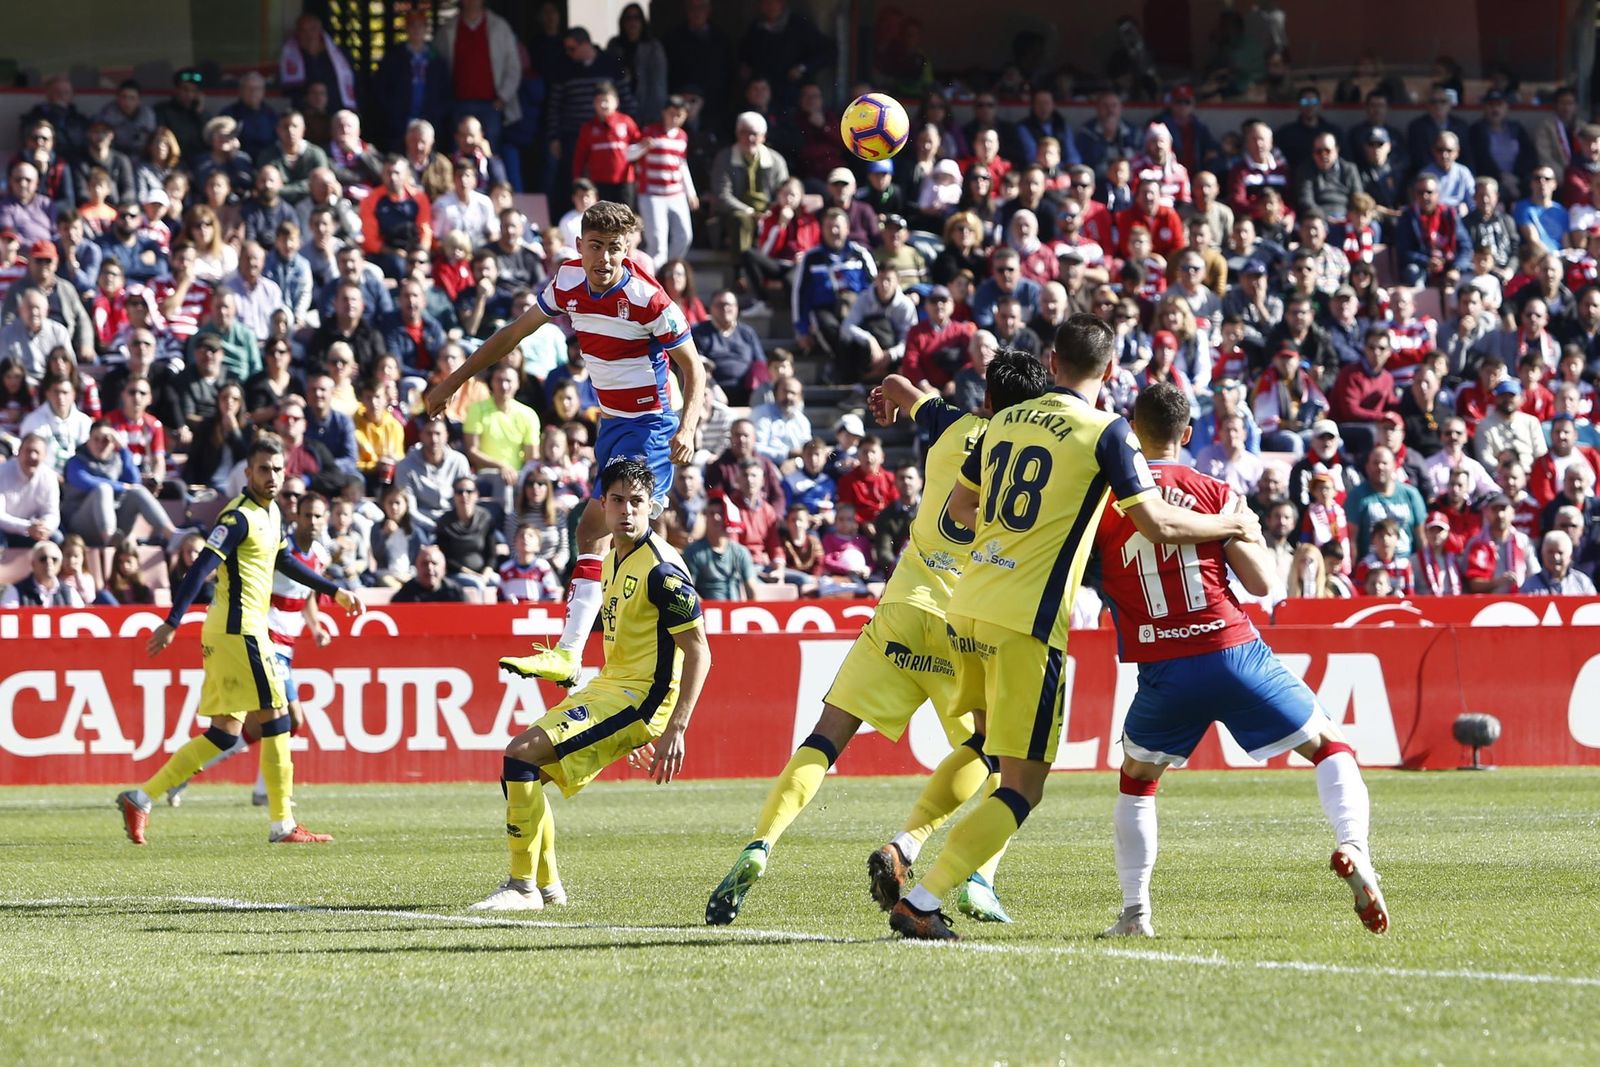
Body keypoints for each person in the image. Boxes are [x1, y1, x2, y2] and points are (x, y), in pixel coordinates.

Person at [889, 318, 1261, 941]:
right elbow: (1158, 526)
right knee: (1023, 786)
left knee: (986, 747)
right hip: (1027, 621)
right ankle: (922, 900)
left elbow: (959, 507)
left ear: (1052, 361)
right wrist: (1229, 528)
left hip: (968, 604)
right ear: (1110, 372)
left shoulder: (1005, 420)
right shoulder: (1107, 432)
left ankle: (908, 847)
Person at [706, 352, 1053, 925]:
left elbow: (896, 381)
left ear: (987, 399)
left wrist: (887, 398)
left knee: (825, 739)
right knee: (998, 759)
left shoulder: (950, 425)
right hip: (963, 627)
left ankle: (760, 845)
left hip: (898, 611)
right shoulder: (1036, 462)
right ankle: (957, 869)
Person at [1086, 382, 1386, 938]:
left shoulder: (1105, 502)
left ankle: (1136, 912)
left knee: (1137, 779)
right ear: (1188, 434)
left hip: (1162, 665)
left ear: (1132, 428)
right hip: (1230, 649)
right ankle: (1353, 845)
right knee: (1328, 746)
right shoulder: (1214, 491)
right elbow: (1261, 580)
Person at [426, 201, 706, 687]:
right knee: (591, 535)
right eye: (595, 247)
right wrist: (452, 383)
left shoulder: (649, 299)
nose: (604, 258)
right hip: (613, 423)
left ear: (628, 249)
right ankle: (577, 653)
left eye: (614, 249)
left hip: (652, 422)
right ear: (579, 246)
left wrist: (688, 426)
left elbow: (694, 368)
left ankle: (615, 643)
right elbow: (513, 334)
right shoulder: (567, 282)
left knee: (613, 522)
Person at [471, 459, 710, 911]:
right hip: (612, 689)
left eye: (636, 502)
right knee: (520, 772)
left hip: (640, 699)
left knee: (520, 754)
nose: (626, 511)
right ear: (602, 504)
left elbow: (700, 650)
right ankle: (546, 886)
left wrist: (671, 726)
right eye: (617, 500)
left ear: (650, 508)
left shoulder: (662, 572)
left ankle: (522, 888)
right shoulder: (609, 561)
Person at [114, 437, 361, 846]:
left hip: (234, 633)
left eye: (278, 469)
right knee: (279, 717)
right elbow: (200, 568)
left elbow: (284, 560)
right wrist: (173, 621)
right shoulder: (239, 518)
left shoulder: (273, 513)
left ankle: (141, 798)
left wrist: (333, 591)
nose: (272, 477)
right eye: (264, 469)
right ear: (247, 473)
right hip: (240, 631)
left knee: (227, 733)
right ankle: (283, 824)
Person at [1463, 493, 1537, 592]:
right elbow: (1472, 584)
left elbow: (1535, 575)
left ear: (1513, 513)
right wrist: (1498, 582)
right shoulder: (1476, 543)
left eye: (1503, 509)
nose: (1500, 515)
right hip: (1486, 604)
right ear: (1487, 514)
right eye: (1495, 509)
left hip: (1520, 602)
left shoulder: (1523, 541)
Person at [0, 433, 60, 548]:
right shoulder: (2, 472)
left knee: (57, 538)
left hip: (33, 531)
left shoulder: (49, 477)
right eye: (28, 451)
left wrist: (44, 527)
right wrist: (27, 527)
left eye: (37, 452)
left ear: (45, 456)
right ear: (18, 452)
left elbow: (52, 514)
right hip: (4, 530)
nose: (32, 456)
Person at [0, 539, 82, 607]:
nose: (49, 563)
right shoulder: (16, 590)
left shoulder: (69, 592)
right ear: (33, 564)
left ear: (60, 564)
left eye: (54, 559)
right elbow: (7, 620)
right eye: (43, 559)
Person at [1521, 529, 1596, 594]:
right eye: (1550, 552)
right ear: (1542, 554)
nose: (1555, 557)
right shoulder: (1529, 585)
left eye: (1560, 553)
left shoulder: (1582, 582)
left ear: (1570, 556)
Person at [393, 543, 466, 602]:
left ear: (444, 568)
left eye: (434, 563)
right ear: (417, 567)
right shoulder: (405, 594)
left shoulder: (454, 592)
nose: (429, 568)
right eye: (424, 563)